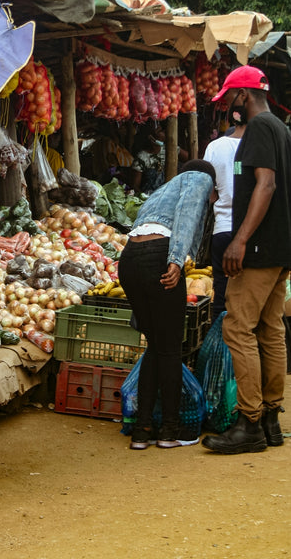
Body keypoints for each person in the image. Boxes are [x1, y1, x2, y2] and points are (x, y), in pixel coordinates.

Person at [202, 66, 291, 455]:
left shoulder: (258, 128)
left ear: (243, 96)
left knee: (238, 329)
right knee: (271, 329)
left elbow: (266, 184)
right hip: (279, 248)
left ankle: (249, 421)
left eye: (228, 99)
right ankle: (271, 418)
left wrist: (239, 240)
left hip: (257, 250)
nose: (226, 106)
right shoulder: (281, 127)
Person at [118, 159, 217, 450]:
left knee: (156, 347)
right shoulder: (199, 179)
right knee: (172, 348)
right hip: (158, 256)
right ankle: (170, 431)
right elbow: (187, 215)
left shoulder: (164, 189)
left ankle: (142, 431)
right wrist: (176, 259)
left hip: (130, 260)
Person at [203, 114, 246, 322]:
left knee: (221, 293)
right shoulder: (261, 145)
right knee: (247, 298)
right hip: (252, 232)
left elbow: (209, 194)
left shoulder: (215, 147)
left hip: (223, 229)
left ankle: (219, 346)